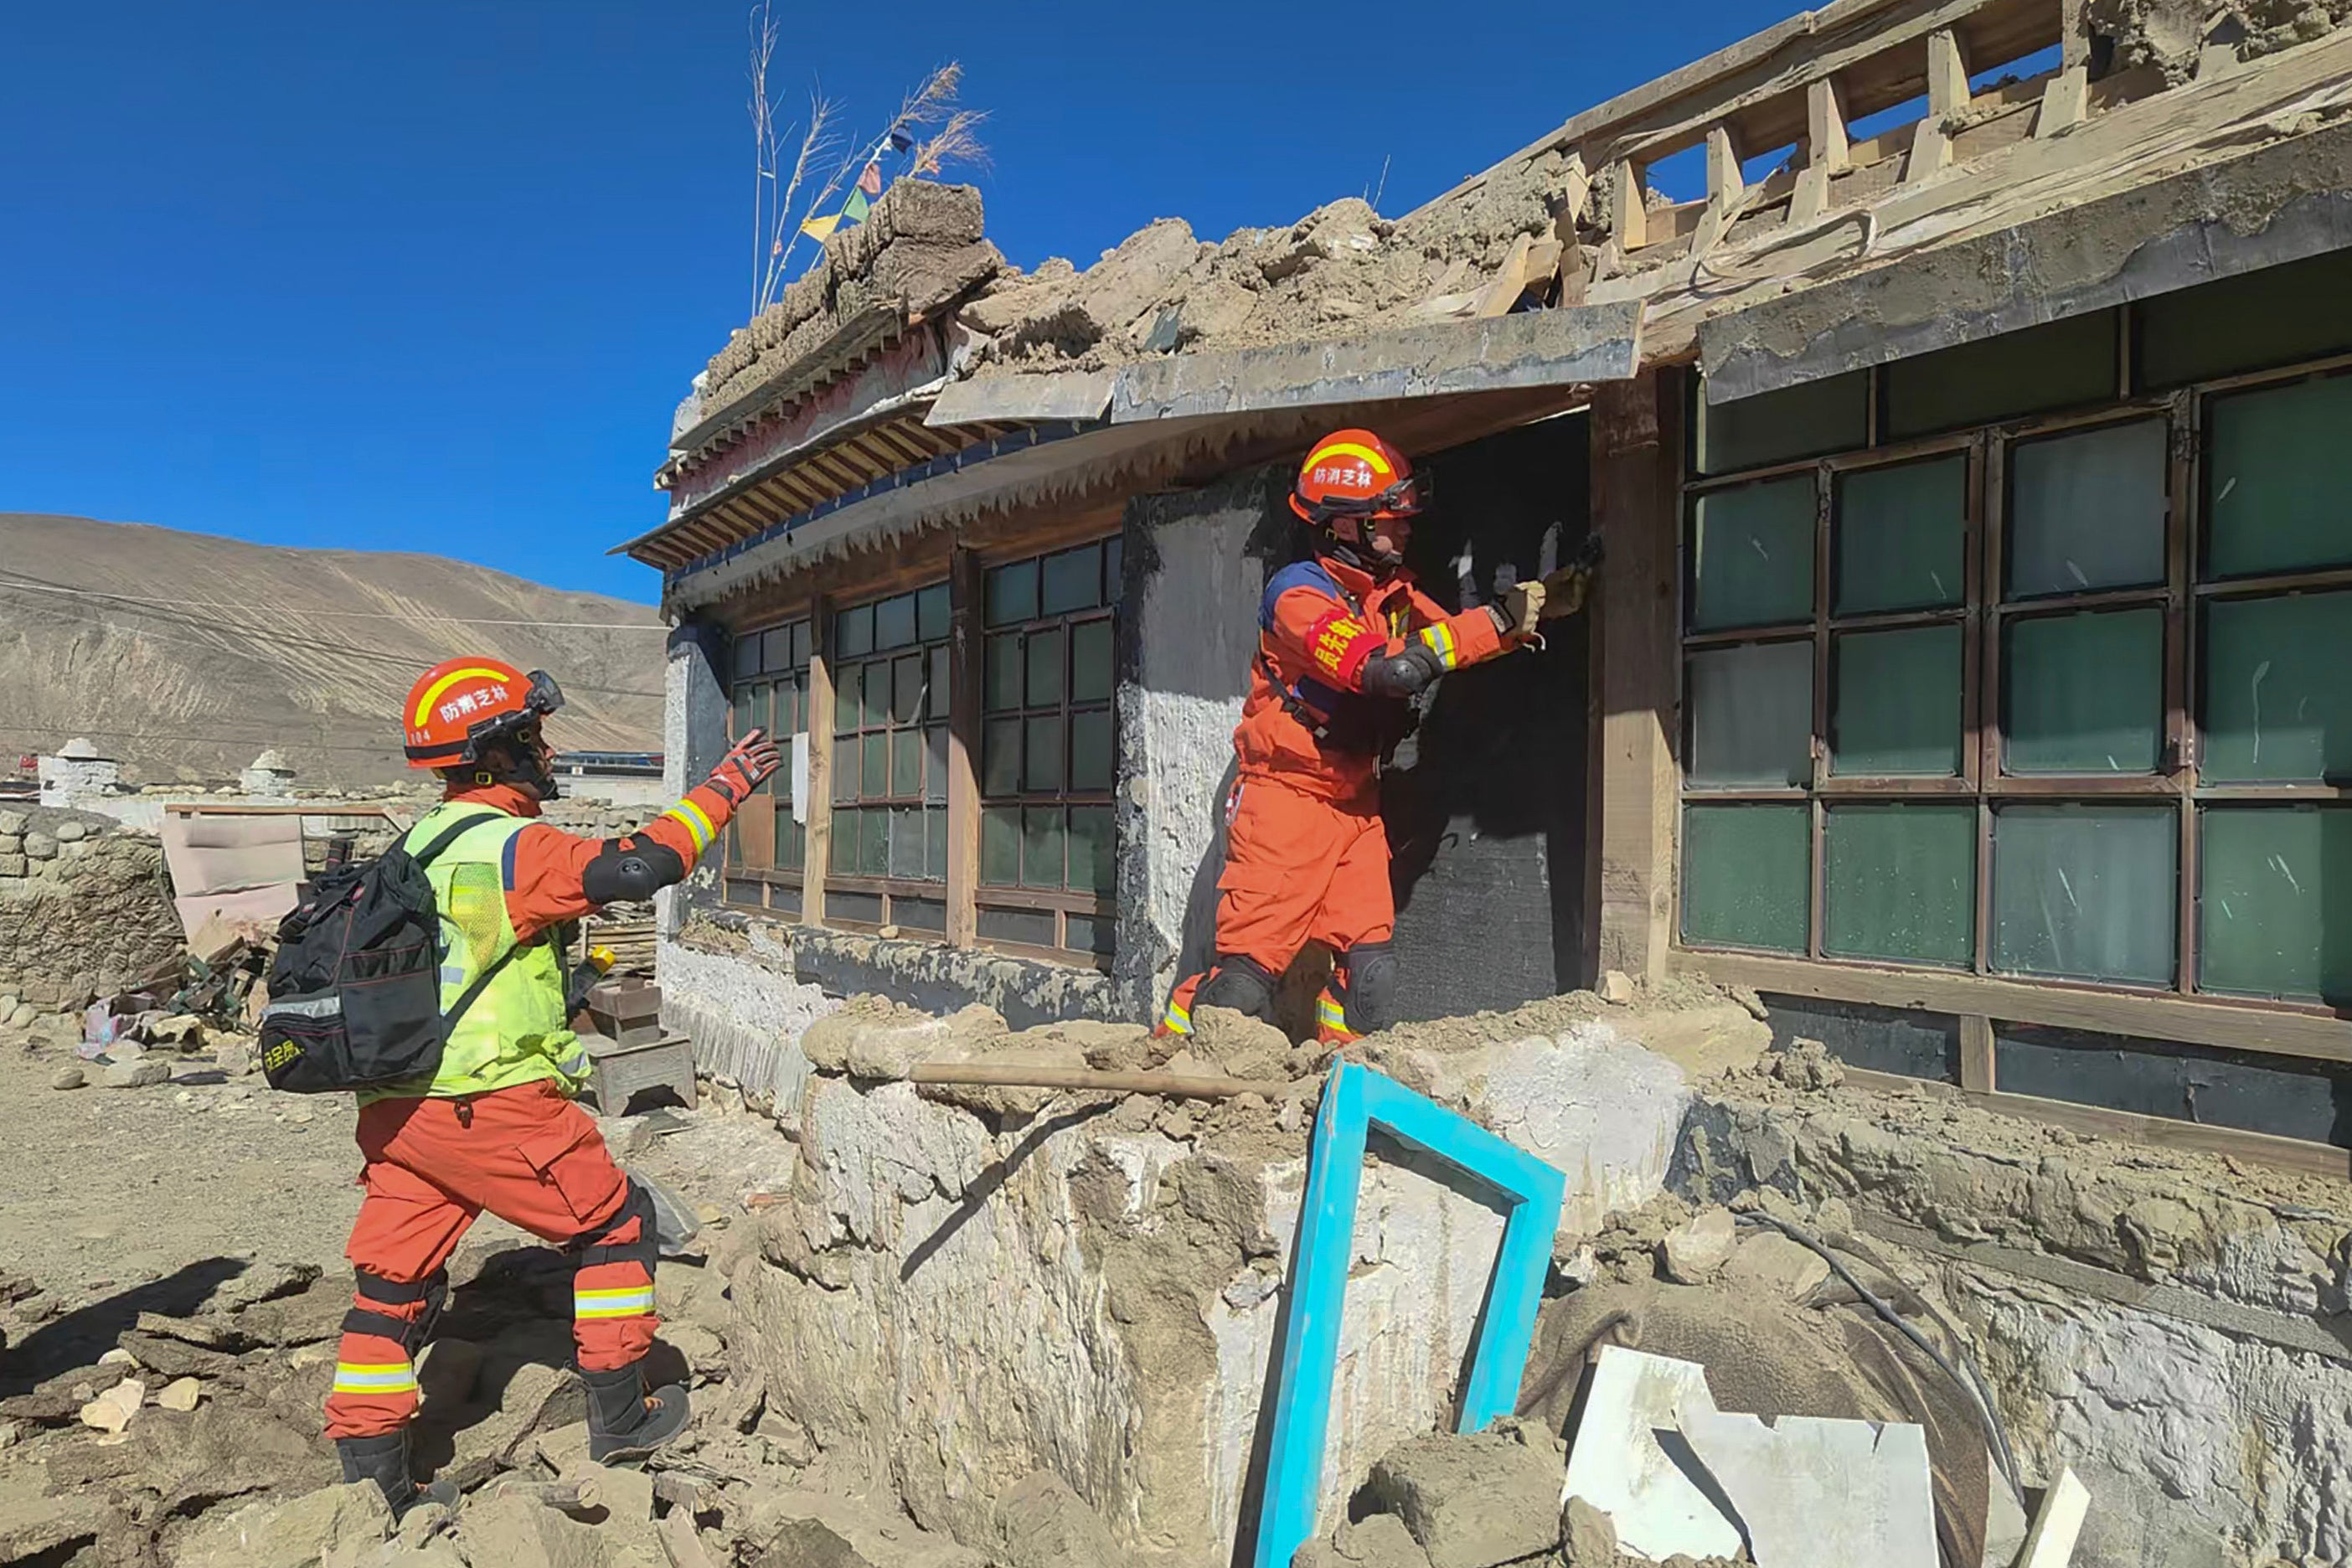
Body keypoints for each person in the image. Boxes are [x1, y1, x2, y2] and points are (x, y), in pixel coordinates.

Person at [326, 656, 780, 1514]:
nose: (548, 748)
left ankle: (371, 1469)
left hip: (399, 1110)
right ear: (496, 754)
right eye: (533, 736)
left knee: (393, 1281)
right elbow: (639, 867)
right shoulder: (511, 843)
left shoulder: (417, 842)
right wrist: (720, 790)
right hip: (491, 1100)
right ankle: (623, 1412)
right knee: (615, 1228)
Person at [1158, 429, 1590, 1045]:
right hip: (1287, 802)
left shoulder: (1391, 594)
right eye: (1392, 518)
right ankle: (1173, 1062)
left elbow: (1454, 640)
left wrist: (1531, 614)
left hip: (1355, 805)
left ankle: (1334, 1074)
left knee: (1371, 976)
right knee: (1243, 986)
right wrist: (1494, 619)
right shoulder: (1297, 597)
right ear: (1344, 525)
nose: (1407, 527)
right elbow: (1388, 668)